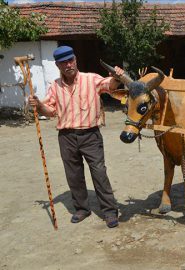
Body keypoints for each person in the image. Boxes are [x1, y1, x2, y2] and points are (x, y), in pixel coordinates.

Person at [29, 46, 124, 228]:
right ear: (58, 65)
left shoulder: (91, 79)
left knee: (99, 172)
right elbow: (50, 111)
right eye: (63, 62)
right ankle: (82, 209)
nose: (68, 64)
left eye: (70, 60)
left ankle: (110, 211)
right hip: (66, 137)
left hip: (90, 135)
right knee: (73, 175)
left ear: (75, 60)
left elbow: (109, 85)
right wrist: (39, 105)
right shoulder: (55, 86)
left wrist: (118, 77)